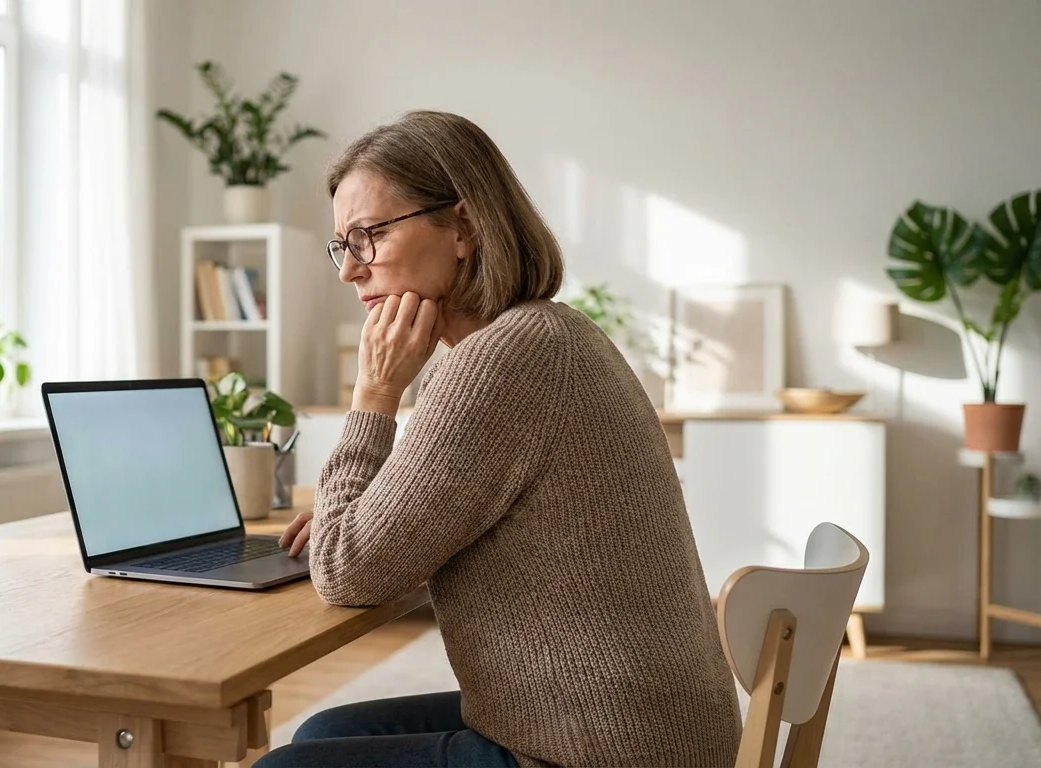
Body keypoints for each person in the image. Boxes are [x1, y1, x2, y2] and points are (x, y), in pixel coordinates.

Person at [257, 110, 742, 768]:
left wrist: (374, 393)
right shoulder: (550, 332)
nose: (350, 270)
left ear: (463, 226)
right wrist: (367, 520)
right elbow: (397, 544)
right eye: (343, 244)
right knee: (319, 736)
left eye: (369, 236)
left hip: (604, 747)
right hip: (650, 722)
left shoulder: (502, 361)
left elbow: (348, 572)